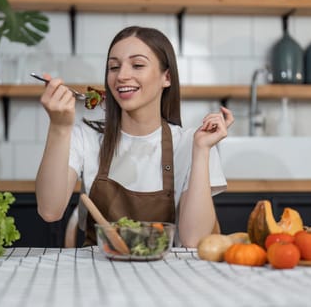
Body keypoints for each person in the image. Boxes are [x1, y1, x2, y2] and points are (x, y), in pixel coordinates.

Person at [35, 26, 233, 248]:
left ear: (166, 77)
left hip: (166, 276)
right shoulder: (86, 138)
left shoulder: (191, 143)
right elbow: (49, 211)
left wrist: (202, 151)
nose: (121, 76)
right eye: (113, 67)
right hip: (96, 273)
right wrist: (59, 127)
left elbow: (193, 240)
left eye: (137, 65)